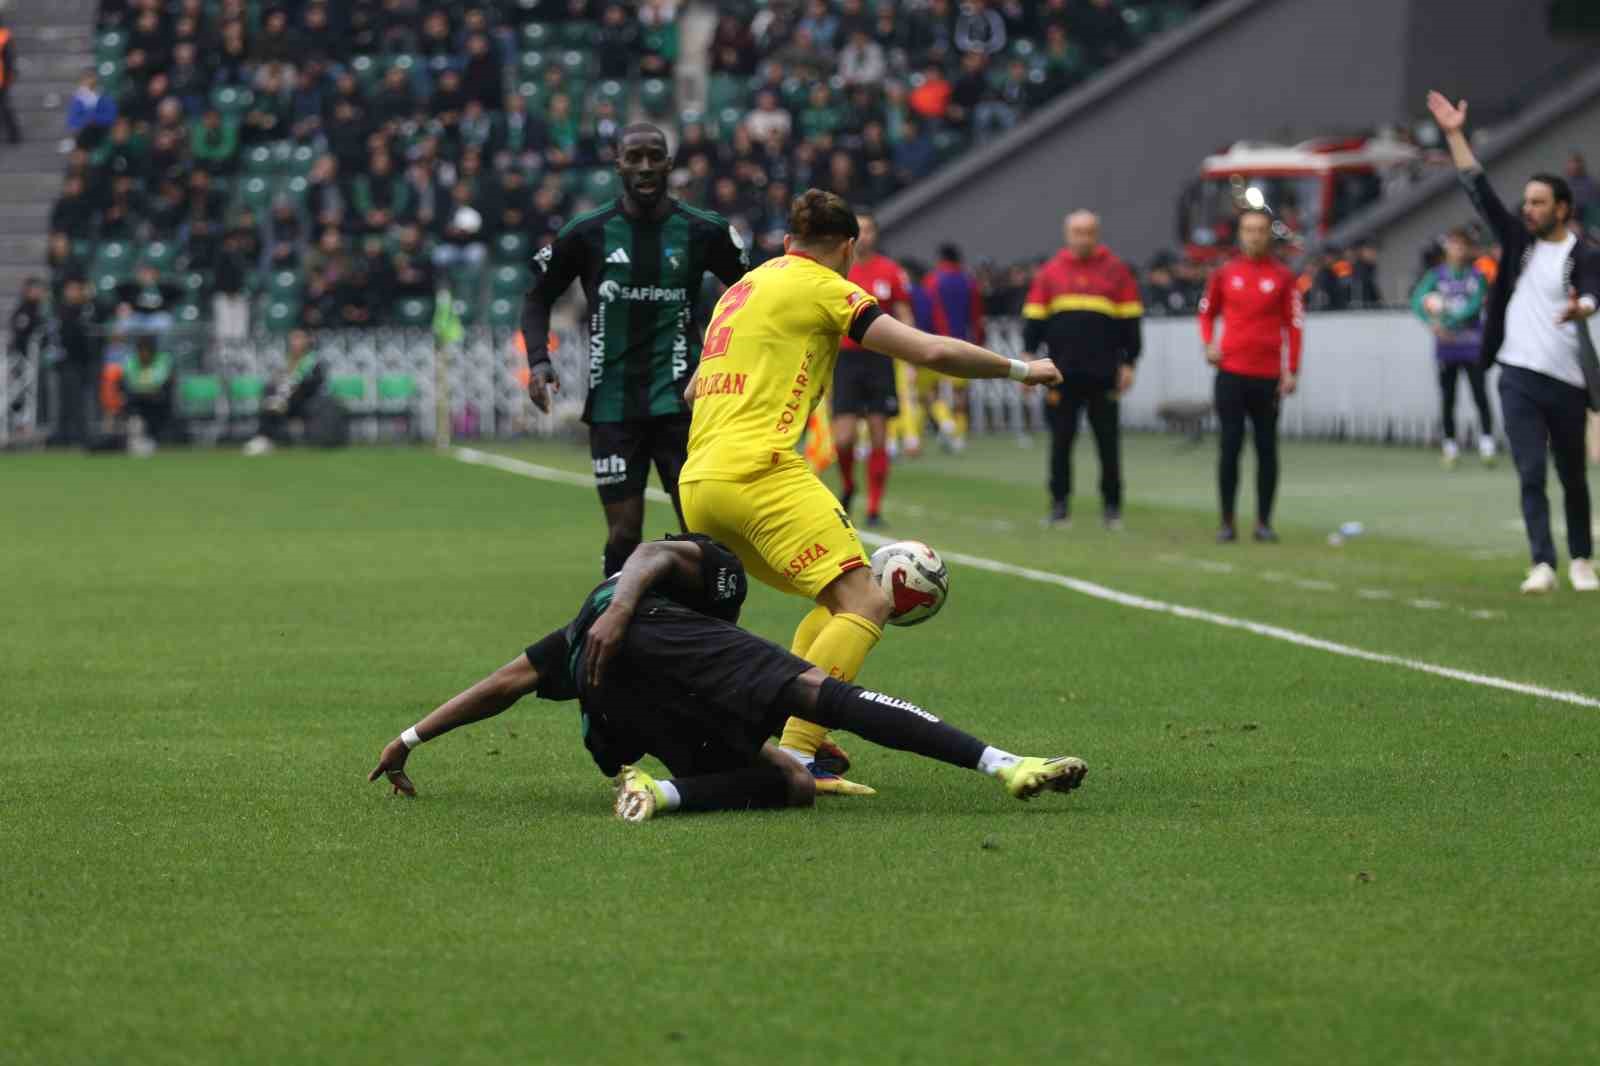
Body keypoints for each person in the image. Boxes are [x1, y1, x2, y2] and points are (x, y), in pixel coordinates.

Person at [677, 189, 1062, 793]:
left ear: (786, 243)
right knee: (868, 602)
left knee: (836, 599)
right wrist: (1022, 370)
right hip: (761, 472)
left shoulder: (741, 289)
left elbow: (694, 391)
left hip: (699, 482)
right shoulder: (824, 284)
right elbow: (931, 350)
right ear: (849, 247)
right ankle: (799, 756)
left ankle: (798, 721)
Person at [367, 534, 1088, 820]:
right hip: (657, 643)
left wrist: (410, 736)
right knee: (823, 693)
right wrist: (624, 610)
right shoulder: (715, 569)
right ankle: (1005, 764)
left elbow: (505, 682)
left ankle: (660, 792)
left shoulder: (570, 638)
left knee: (792, 784)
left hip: (624, 713)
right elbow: (650, 553)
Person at [522, 122, 749, 578]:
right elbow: (537, 297)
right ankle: (618, 621)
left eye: (653, 156)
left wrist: (737, 361)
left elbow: (752, 293)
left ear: (669, 164)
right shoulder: (589, 233)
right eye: (634, 157)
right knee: (624, 532)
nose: (645, 167)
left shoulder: (703, 231)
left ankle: (704, 628)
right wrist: (538, 361)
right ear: (618, 165)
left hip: (683, 402)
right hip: (613, 406)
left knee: (700, 525)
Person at [1428, 91, 1600, 594]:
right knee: (1529, 470)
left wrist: (1582, 309)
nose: (1527, 209)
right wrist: (1455, 134)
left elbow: (1593, 290)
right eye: (1525, 201)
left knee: (1572, 474)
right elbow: (1477, 189)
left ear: (1562, 208)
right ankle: (1542, 563)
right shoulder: (1516, 242)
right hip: (1517, 374)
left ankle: (1582, 560)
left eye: (1538, 202)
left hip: (1567, 379)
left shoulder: (1585, 251)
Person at [1021, 210, 1143, 530]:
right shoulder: (1050, 273)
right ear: (1067, 234)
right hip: (1060, 375)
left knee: (1108, 444)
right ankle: (1059, 506)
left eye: (1088, 232)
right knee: (1061, 443)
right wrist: (1027, 359)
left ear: (1097, 234)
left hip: (1105, 374)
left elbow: (1131, 323)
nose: (1082, 238)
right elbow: (1034, 320)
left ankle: (1113, 507)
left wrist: (1130, 363)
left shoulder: (1117, 272)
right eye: (1077, 232)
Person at [1197, 208, 1303, 544]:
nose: (1254, 235)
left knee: (1267, 449)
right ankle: (1227, 522)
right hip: (1230, 373)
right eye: (1248, 229)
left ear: (1268, 234)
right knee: (1229, 447)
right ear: (1240, 234)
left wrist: (1292, 369)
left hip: (1267, 376)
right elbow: (1206, 313)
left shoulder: (1284, 277)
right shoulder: (1224, 274)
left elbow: (1294, 325)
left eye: (1259, 229)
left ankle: (1263, 522)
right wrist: (1208, 344)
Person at [832, 211, 914, 527]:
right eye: (859, 230)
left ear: (876, 234)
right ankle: (850, 484)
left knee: (880, 434)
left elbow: (905, 314)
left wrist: (911, 356)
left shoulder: (891, 271)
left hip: (880, 359)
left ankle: (874, 508)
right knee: (844, 438)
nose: (864, 236)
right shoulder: (837, 271)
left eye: (869, 230)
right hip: (846, 360)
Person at [1410, 227, 1495, 468]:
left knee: (1480, 394)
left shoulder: (1476, 276)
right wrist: (1432, 324)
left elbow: (1474, 305)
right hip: (1447, 348)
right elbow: (1417, 301)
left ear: (1468, 249)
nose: (1457, 249)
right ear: (1447, 247)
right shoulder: (1436, 276)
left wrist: (1447, 321)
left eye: (1461, 245)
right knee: (1448, 397)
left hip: (1472, 345)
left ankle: (1487, 445)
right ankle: (1450, 446)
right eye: (1453, 244)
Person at [921, 243, 986, 451]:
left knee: (931, 390)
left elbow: (926, 311)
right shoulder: (968, 282)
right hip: (962, 342)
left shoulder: (932, 280)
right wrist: (979, 339)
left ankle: (944, 421)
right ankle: (959, 434)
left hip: (934, 342)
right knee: (959, 392)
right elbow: (976, 314)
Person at [243, 329, 327, 456]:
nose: (295, 343)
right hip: (284, 400)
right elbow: (277, 381)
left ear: (307, 341)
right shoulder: (287, 361)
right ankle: (263, 439)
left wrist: (290, 394)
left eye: (299, 339)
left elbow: (313, 385)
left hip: (306, 402)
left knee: (275, 405)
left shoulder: (313, 362)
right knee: (270, 403)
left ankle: (264, 439)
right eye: (293, 339)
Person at [52, 278, 99, 447]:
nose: (72, 293)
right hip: (69, 361)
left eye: (76, 290)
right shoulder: (63, 310)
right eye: (70, 290)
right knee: (69, 400)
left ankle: (85, 435)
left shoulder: (88, 308)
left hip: (87, 360)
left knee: (85, 400)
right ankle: (67, 435)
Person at [120, 335, 174, 454]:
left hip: (157, 402)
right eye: (141, 351)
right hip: (137, 400)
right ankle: (135, 438)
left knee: (159, 401)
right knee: (129, 403)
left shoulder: (163, 359)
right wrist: (145, 390)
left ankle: (154, 438)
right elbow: (130, 383)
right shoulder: (131, 361)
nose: (143, 354)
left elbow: (161, 382)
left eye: (146, 351)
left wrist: (147, 389)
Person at [0, 15, 20, 145]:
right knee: (5, 107)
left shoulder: (3, 37)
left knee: (4, 107)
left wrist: (9, 75)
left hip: (2, 78)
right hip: (3, 77)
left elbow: (9, 59)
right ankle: (14, 134)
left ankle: (14, 135)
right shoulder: (4, 35)